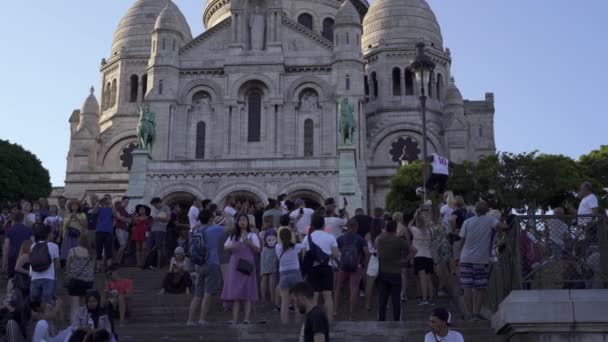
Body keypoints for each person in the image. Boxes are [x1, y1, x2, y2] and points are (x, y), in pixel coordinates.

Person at [459, 200, 506, 320]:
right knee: (480, 288)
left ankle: (469, 314)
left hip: (465, 258)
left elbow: (462, 241)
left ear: (475, 210)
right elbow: (503, 226)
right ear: (487, 210)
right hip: (481, 259)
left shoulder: (467, 222)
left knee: (466, 288)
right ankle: (476, 313)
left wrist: (459, 256)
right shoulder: (490, 220)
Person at [187, 210, 226, 325]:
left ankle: (190, 320)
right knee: (208, 292)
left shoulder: (196, 230)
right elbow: (231, 227)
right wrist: (225, 215)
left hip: (199, 264)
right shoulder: (215, 229)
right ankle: (202, 319)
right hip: (212, 262)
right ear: (210, 219)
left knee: (197, 294)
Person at [221, 214, 260, 324]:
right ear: (237, 223)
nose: (242, 222)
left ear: (247, 222)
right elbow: (225, 247)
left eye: (244, 220)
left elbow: (258, 250)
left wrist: (249, 243)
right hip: (235, 265)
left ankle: (246, 319)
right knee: (235, 292)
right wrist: (232, 247)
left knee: (247, 291)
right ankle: (234, 319)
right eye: (240, 220)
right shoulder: (234, 235)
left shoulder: (252, 235)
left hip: (247, 264)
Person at [302, 215, 339, 323]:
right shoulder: (330, 237)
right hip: (326, 267)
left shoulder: (307, 238)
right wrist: (326, 255)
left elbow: (304, 256)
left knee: (314, 296)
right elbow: (336, 254)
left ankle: (314, 320)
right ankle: (329, 320)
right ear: (323, 224)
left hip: (312, 269)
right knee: (328, 295)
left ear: (312, 225)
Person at [335, 219, 369, 320]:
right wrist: (364, 265)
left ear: (347, 226)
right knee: (354, 288)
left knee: (337, 288)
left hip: (342, 266)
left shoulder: (340, 238)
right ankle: (351, 314)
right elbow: (366, 253)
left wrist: (339, 263)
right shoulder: (360, 239)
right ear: (356, 227)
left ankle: (335, 311)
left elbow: (335, 252)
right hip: (356, 266)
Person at [375, 220, 409, 321]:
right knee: (396, 300)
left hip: (382, 272)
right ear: (395, 229)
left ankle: (381, 320)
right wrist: (405, 259)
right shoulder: (398, 240)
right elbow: (413, 249)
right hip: (396, 273)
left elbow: (376, 248)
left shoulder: (379, 239)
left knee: (382, 300)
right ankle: (397, 320)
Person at [276, 227, 305, 324]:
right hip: (295, 274)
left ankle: (285, 323)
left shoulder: (277, 247)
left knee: (285, 302)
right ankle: (297, 322)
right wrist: (296, 230)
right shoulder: (295, 246)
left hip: (283, 275)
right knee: (297, 300)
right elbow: (303, 243)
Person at [65, 234, 95, 320]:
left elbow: (68, 266)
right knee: (85, 304)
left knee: (74, 305)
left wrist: (68, 274)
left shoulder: (72, 250)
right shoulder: (91, 252)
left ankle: (73, 326)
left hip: (75, 281)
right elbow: (92, 267)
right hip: (88, 281)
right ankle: (85, 322)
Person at [30, 224, 60, 304]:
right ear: (48, 234)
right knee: (47, 305)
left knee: (35, 306)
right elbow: (57, 264)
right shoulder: (54, 246)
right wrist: (55, 277)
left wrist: (31, 275)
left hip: (35, 278)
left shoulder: (33, 246)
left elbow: (31, 262)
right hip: (49, 278)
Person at [409, 211, 434, 305]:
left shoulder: (415, 230)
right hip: (429, 256)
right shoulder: (429, 231)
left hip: (419, 256)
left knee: (422, 279)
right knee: (429, 279)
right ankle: (430, 298)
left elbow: (409, 225)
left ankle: (424, 299)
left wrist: (415, 215)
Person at [3, 212, 33, 279]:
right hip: (24, 255)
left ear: (13, 220)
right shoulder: (29, 230)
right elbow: (32, 243)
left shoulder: (9, 230)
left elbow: (6, 247)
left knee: (11, 277)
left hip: (12, 255)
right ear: (23, 219)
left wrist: (4, 262)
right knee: (24, 277)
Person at [61, 200, 88, 267]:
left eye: (76, 205)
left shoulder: (82, 214)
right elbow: (66, 226)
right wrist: (70, 218)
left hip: (78, 234)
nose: (74, 206)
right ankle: (69, 267)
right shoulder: (68, 215)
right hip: (69, 235)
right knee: (68, 251)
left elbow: (85, 225)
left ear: (79, 206)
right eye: (72, 205)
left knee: (77, 251)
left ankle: (77, 266)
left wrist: (77, 218)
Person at [259, 216, 278, 305]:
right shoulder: (275, 231)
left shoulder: (262, 233)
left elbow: (260, 244)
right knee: (272, 276)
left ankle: (263, 298)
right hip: (273, 252)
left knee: (264, 276)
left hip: (264, 253)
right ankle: (272, 298)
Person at [93, 197, 115, 272]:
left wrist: (111, 203)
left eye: (106, 201)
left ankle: (109, 267)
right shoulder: (99, 209)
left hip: (108, 232)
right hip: (99, 231)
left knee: (108, 249)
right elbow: (94, 211)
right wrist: (98, 202)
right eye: (104, 201)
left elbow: (115, 214)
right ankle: (98, 267)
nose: (105, 203)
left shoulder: (110, 209)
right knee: (98, 249)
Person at [149, 198, 171, 269]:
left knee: (159, 247)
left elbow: (168, 219)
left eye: (155, 205)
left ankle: (159, 264)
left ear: (159, 202)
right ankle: (152, 264)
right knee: (152, 247)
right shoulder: (155, 209)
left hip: (161, 230)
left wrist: (158, 218)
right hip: (153, 230)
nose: (155, 207)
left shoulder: (166, 208)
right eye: (154, 205)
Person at [113, 197, 131, 265]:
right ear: (122, 201)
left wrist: (124, 219)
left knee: (124, 246)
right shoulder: (118, 208)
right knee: (122, 245)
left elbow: (130, 221)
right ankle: (116, 261)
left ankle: (119, 262)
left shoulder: (125, 211)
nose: (127, 203)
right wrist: (125, 219)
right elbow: (118, 217)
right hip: (119, 228)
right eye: (126, 202)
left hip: (125, 230)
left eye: (128, 202)